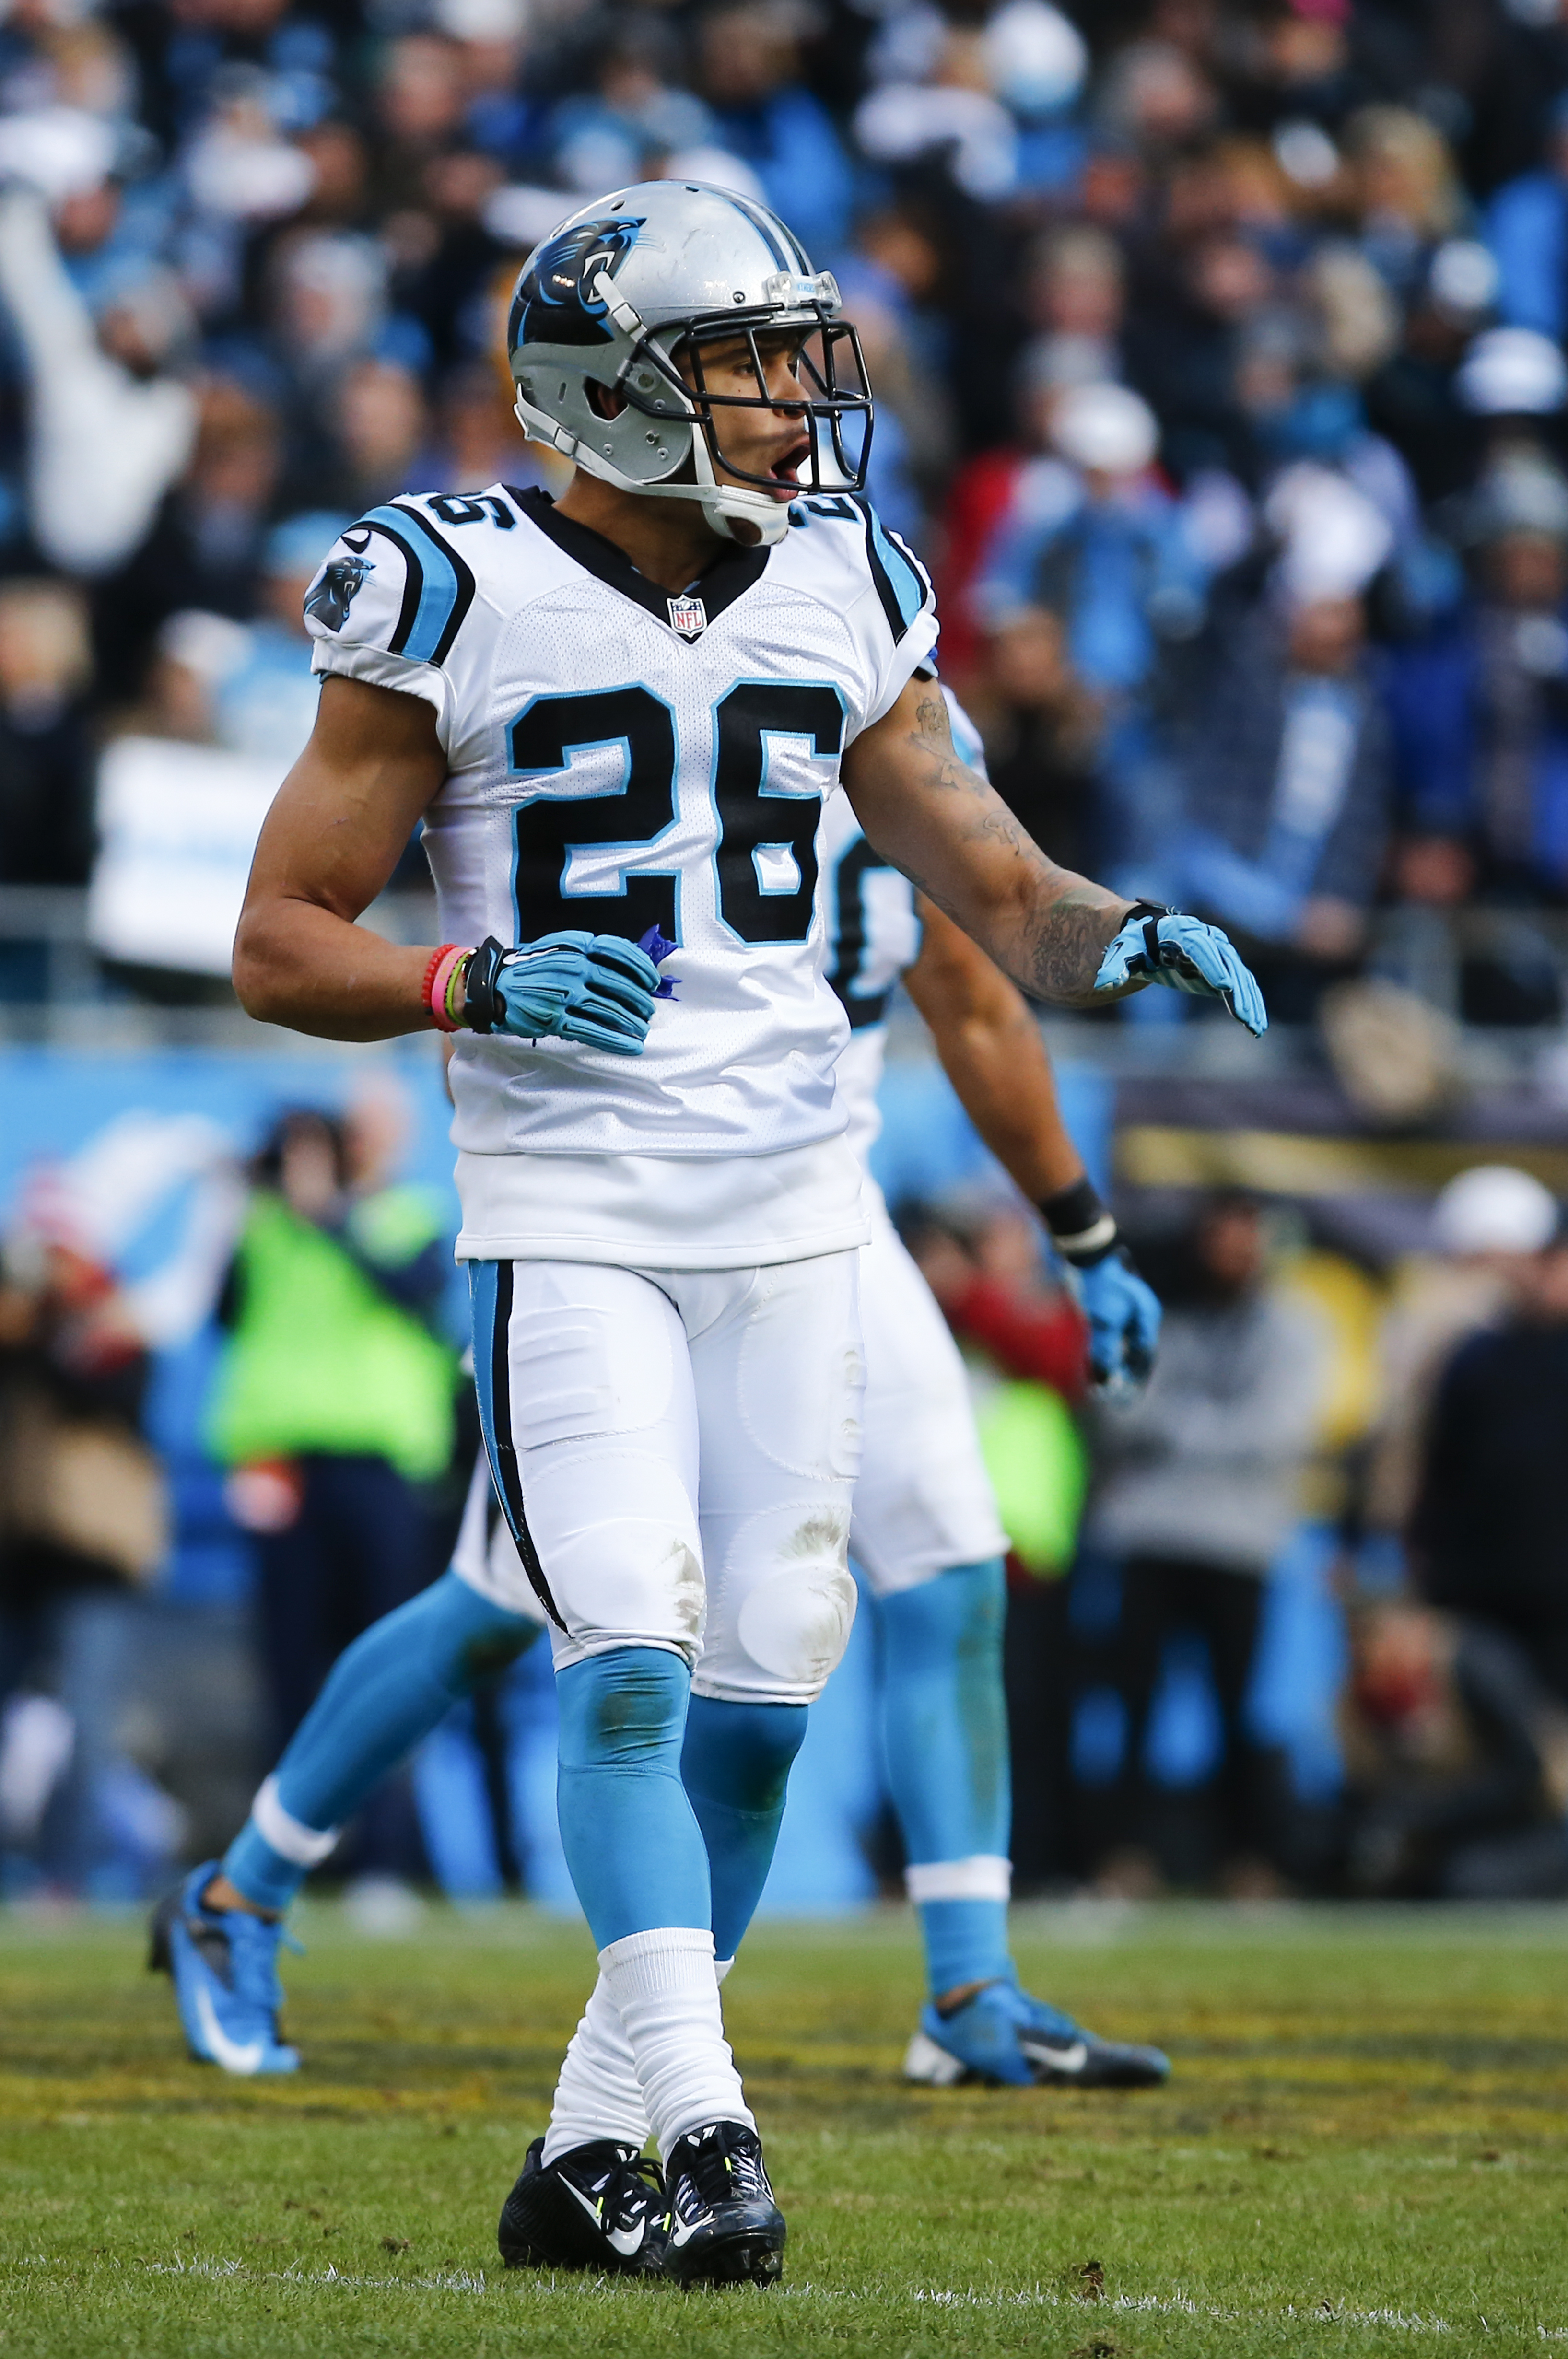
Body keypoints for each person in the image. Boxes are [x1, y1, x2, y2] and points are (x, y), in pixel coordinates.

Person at [152, 181, 1264, 2290]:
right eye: (747, 360)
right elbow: (275, 943)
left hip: (795, 1227)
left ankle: (588, 2158)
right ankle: (711, 2130)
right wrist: (464, 983)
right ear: (616, 387)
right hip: (574, 1220)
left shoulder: (842, 570)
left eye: (791, 352)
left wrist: (1126, 938)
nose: (793, 399)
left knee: (764, 1703)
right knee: (631, 1679)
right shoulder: (447, 588)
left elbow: (996, 893)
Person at [1088, 1191, 1325, 1894]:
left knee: (1237, 1706)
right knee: (1132, 1705)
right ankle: (1123, 1859)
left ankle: (1247, 1862)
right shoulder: (1159, 1313)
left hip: (1238, 1543)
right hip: (1149, 1536)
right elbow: (1119, 1411)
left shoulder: (1293, 1326)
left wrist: (1179, 1432)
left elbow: (1280, 1432)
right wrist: (1214, 1432)